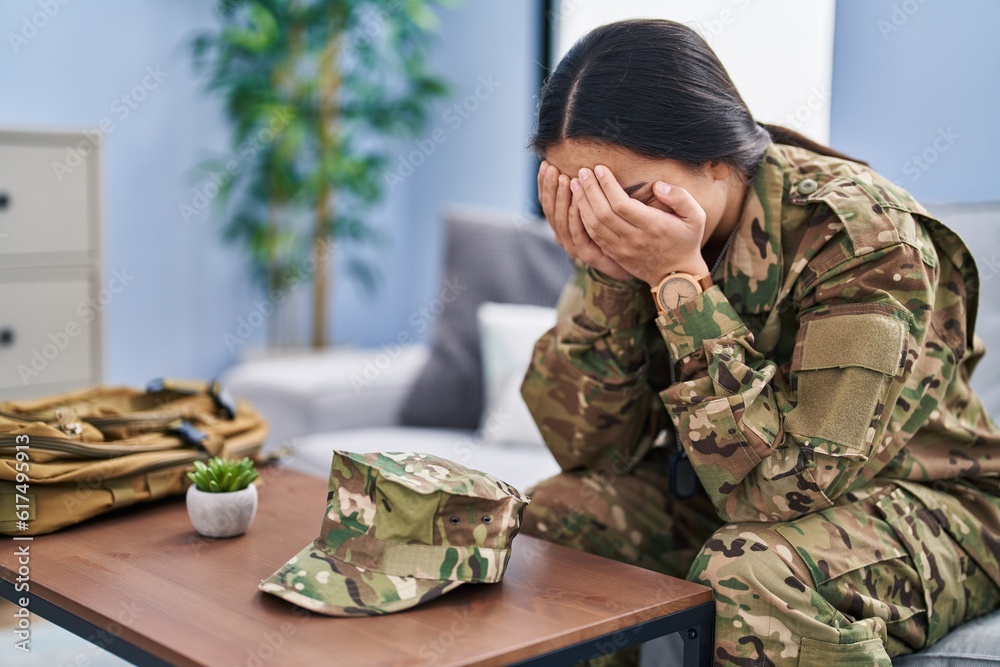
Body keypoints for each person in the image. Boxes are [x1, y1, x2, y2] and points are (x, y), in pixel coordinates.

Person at [521, 18, 1000, 667]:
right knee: (550, 521)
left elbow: (784, 492)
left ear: (716, 159)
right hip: (730, 492)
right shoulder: (625, 237)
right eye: (582, 199)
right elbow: (586, 449)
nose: (606, 224)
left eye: (627, 198)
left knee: (751, 571)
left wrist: (677, 281)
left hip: (934, 504)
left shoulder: (867, 239)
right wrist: (610, 280)